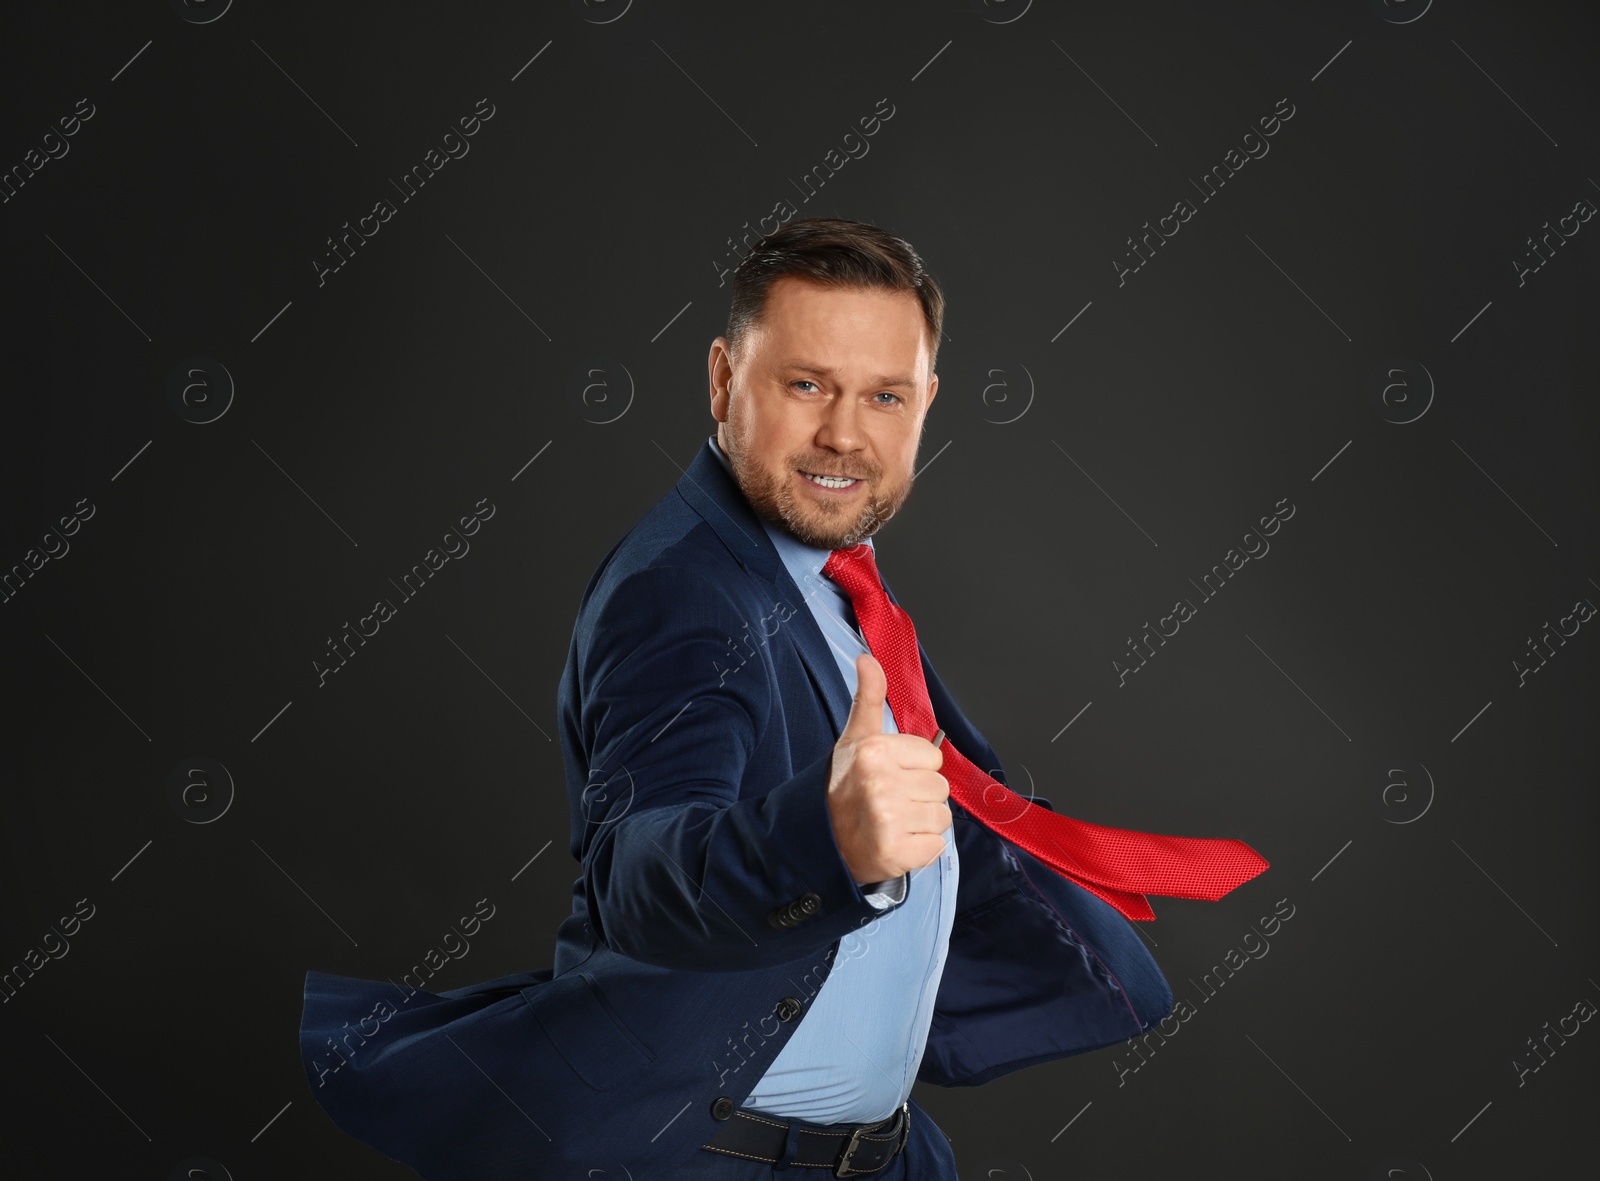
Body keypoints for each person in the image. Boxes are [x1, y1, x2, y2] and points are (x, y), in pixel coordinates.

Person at [299, 217, 1173, 1180]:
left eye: (883, 395)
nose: (845, 432)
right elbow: (638, 874)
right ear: (723, 381)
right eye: (807, 385)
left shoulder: (846, 589)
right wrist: (829, 841)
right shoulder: (683, 589)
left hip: (880, 1157)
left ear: (925, 402)